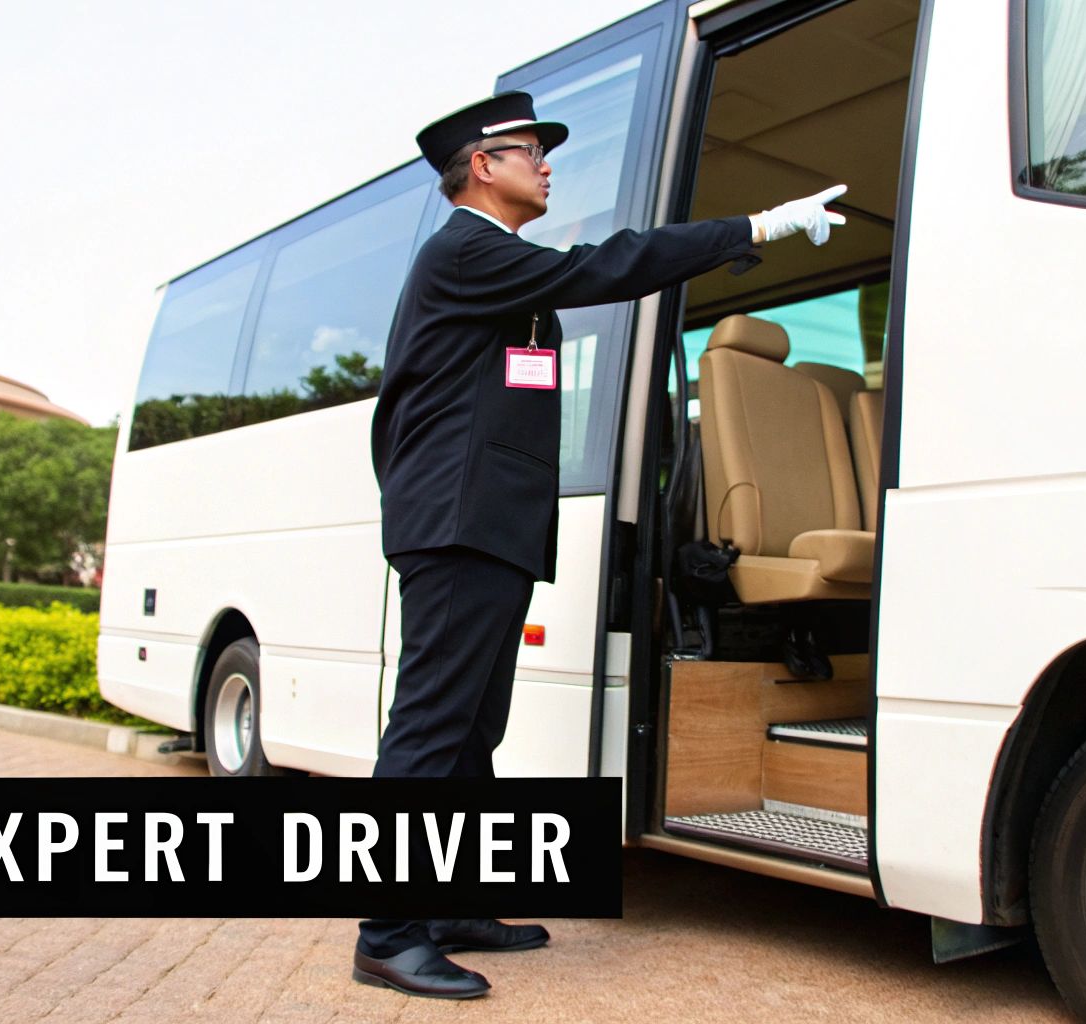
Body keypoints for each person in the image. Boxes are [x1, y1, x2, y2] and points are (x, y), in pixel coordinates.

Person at [358, 90, 847, 999]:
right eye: (529, 151)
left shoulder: (490, 264)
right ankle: (387, 934)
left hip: (484, 527)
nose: (546, 165)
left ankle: (448, 905)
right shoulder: (466, 249)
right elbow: (608, 266)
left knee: (470, 731)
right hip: (458, 528)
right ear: (482, 166)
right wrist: (756, 225)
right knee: (430, 731)